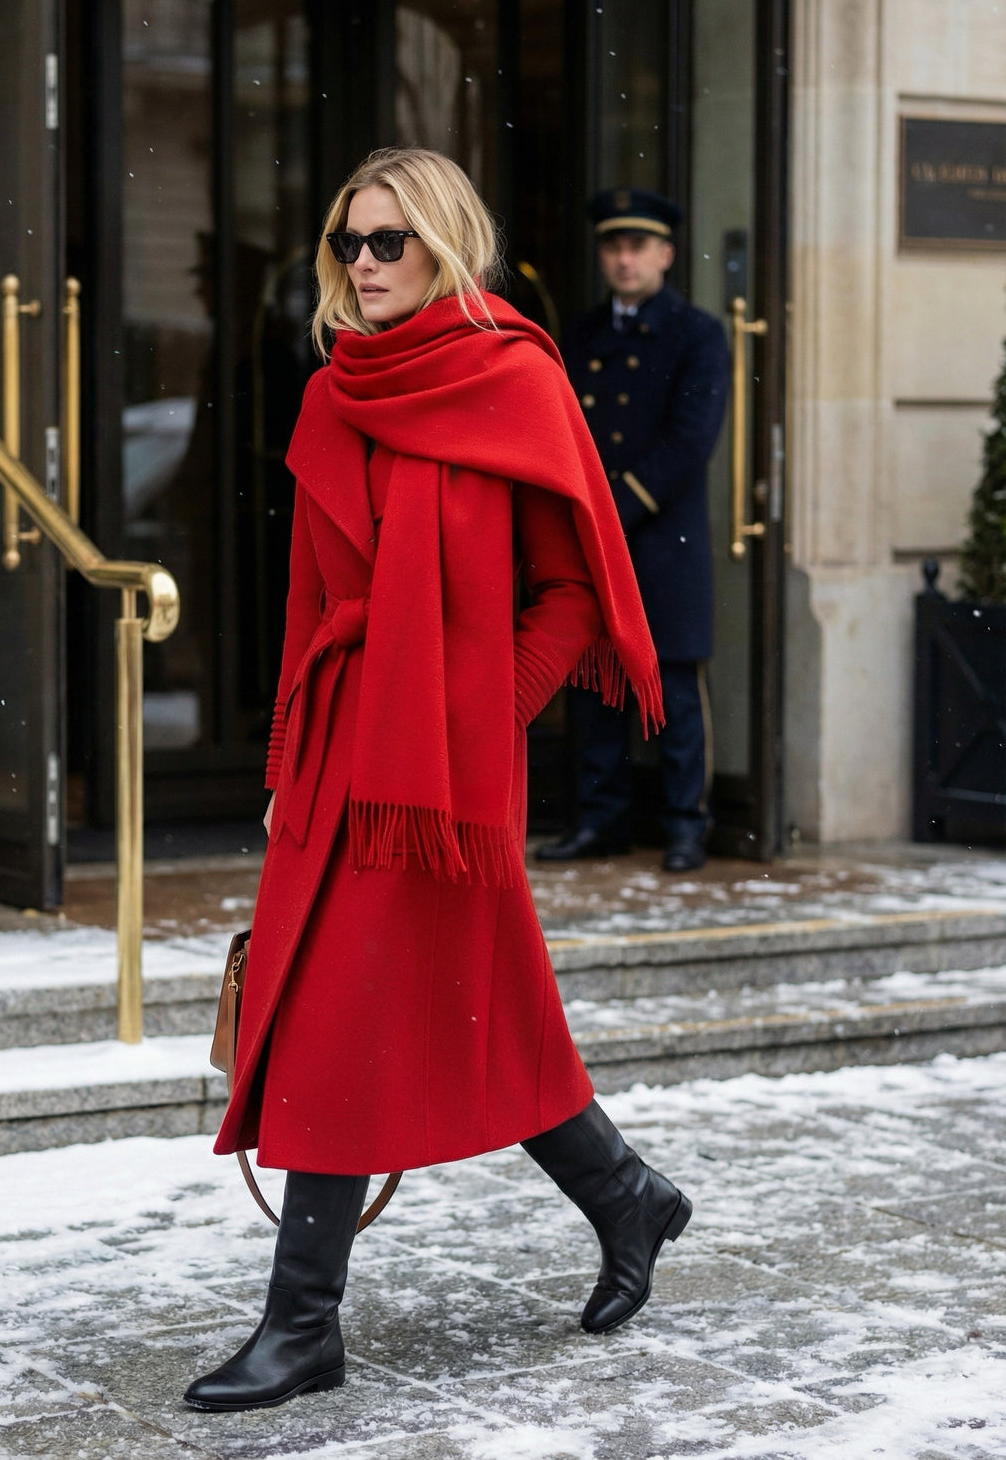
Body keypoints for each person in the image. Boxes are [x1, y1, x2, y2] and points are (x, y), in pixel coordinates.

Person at [183, 149, 691, 1415]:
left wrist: (481, 718)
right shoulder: (331, 394)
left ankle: (302, 1325)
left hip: (445, 766)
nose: (363, 262)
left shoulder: (512, 380)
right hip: (343, 745)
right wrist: (287, 765)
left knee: (336, 1021)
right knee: (465, 1004)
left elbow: (575, 594)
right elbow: (312, 608)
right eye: (349, 241)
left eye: (388, 242)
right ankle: (627, 1191)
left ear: (445, 246)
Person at [537, 188, 730, 873]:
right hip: (592, 538)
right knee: (595, 687)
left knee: (674, 691)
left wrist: (616, 505)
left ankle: (685, 826)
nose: (624, 259)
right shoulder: (581, 336)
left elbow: (690, 440)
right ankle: (602, 821)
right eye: (614, 246)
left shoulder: (699, 334)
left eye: (638, 246)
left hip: (661, 542)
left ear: (666, 255)